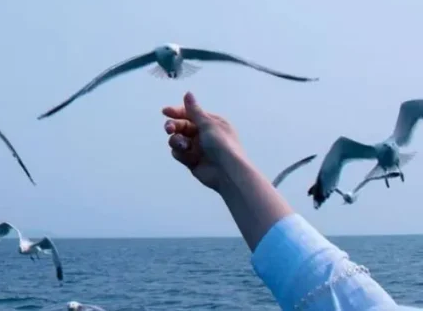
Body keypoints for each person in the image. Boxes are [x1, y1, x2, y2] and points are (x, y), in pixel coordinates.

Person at [163, 92, 419, 311]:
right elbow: (343, 294)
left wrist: (229, 170)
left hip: (394, 164)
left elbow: (340, 295)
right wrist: (227, 168)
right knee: (339, 149)